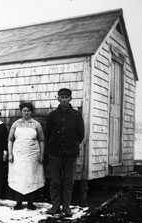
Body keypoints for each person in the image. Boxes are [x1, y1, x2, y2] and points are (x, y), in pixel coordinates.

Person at [45, 88, 85, 217]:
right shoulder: (52, 115)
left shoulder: (76, 115)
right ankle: (56, 205)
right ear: (58, 98)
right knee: (55, 181)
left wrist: (71, 145)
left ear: (70, 99)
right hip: (55, 154)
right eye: (61, 97)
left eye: (66, 97)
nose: (64, 99)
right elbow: (47, 134)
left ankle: (66, 207)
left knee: (68, 181)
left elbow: (81, 134)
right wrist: (52, 147)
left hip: (70, 154)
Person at [8, 102, 45, 210]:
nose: (26, 113)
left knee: (31, 177)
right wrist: (10, 154)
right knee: (19, 178)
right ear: (21, 112)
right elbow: (10, 140)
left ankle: (30, 202)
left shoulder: (36, 124)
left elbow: (41, 140)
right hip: (18, 155)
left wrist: (42, 154)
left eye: (28, 111)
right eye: (24, 110)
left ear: (31, 112)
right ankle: (18, 202)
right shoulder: (16, 124)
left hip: (32, 155)